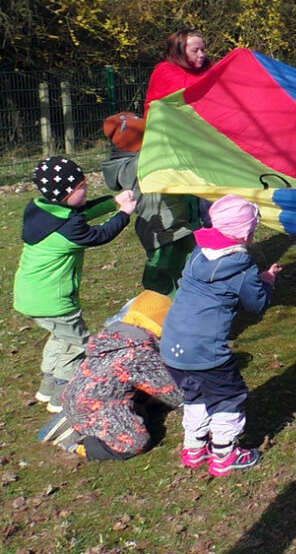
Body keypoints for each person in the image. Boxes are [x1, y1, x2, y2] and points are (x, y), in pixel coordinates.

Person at [160, 195, 282, 477]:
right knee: (228, 397)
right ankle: (224, 454)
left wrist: (256, 279)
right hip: (206, 351)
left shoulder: (196, 254)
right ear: (246, 233)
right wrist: (268, 282)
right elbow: (257, 304)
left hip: (171, 345)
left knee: (195, 395)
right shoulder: (241, 265)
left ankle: (194, 448)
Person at [14, 156, 137, 412]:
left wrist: (112, 202)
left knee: (61, 338)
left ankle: (47, 387)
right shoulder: (68, 230)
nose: (86, 189)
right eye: (81, 187)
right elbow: (99, 234)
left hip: (30, 295)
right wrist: (123, 214)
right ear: (64, 193)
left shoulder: (40, 209)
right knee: (81, 345)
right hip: (54, 301)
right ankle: (64, 398)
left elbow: (81, 212)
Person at [37, 291, 184, 460]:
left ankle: (72, 419)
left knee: (145, 400)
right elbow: (173, 392)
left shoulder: (114, 336)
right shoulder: (139, 355)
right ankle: (79, 445)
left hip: (77, 395)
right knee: (135, 441)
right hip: (98, 407)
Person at [101, 111, 200, 295]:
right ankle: (156, 303)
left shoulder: (141, 158)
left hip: (177, 221)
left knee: (188, 262)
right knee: (161, 268)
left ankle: (188, 297)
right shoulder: (131, 167)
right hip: (160, 228)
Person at [143, 29, 211, 116]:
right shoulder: (165, 70)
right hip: (167, 124)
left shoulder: (206, 68)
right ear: (180, 52)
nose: (201, 55)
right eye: (195, 51)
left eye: (202, 50)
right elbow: (193, 88)